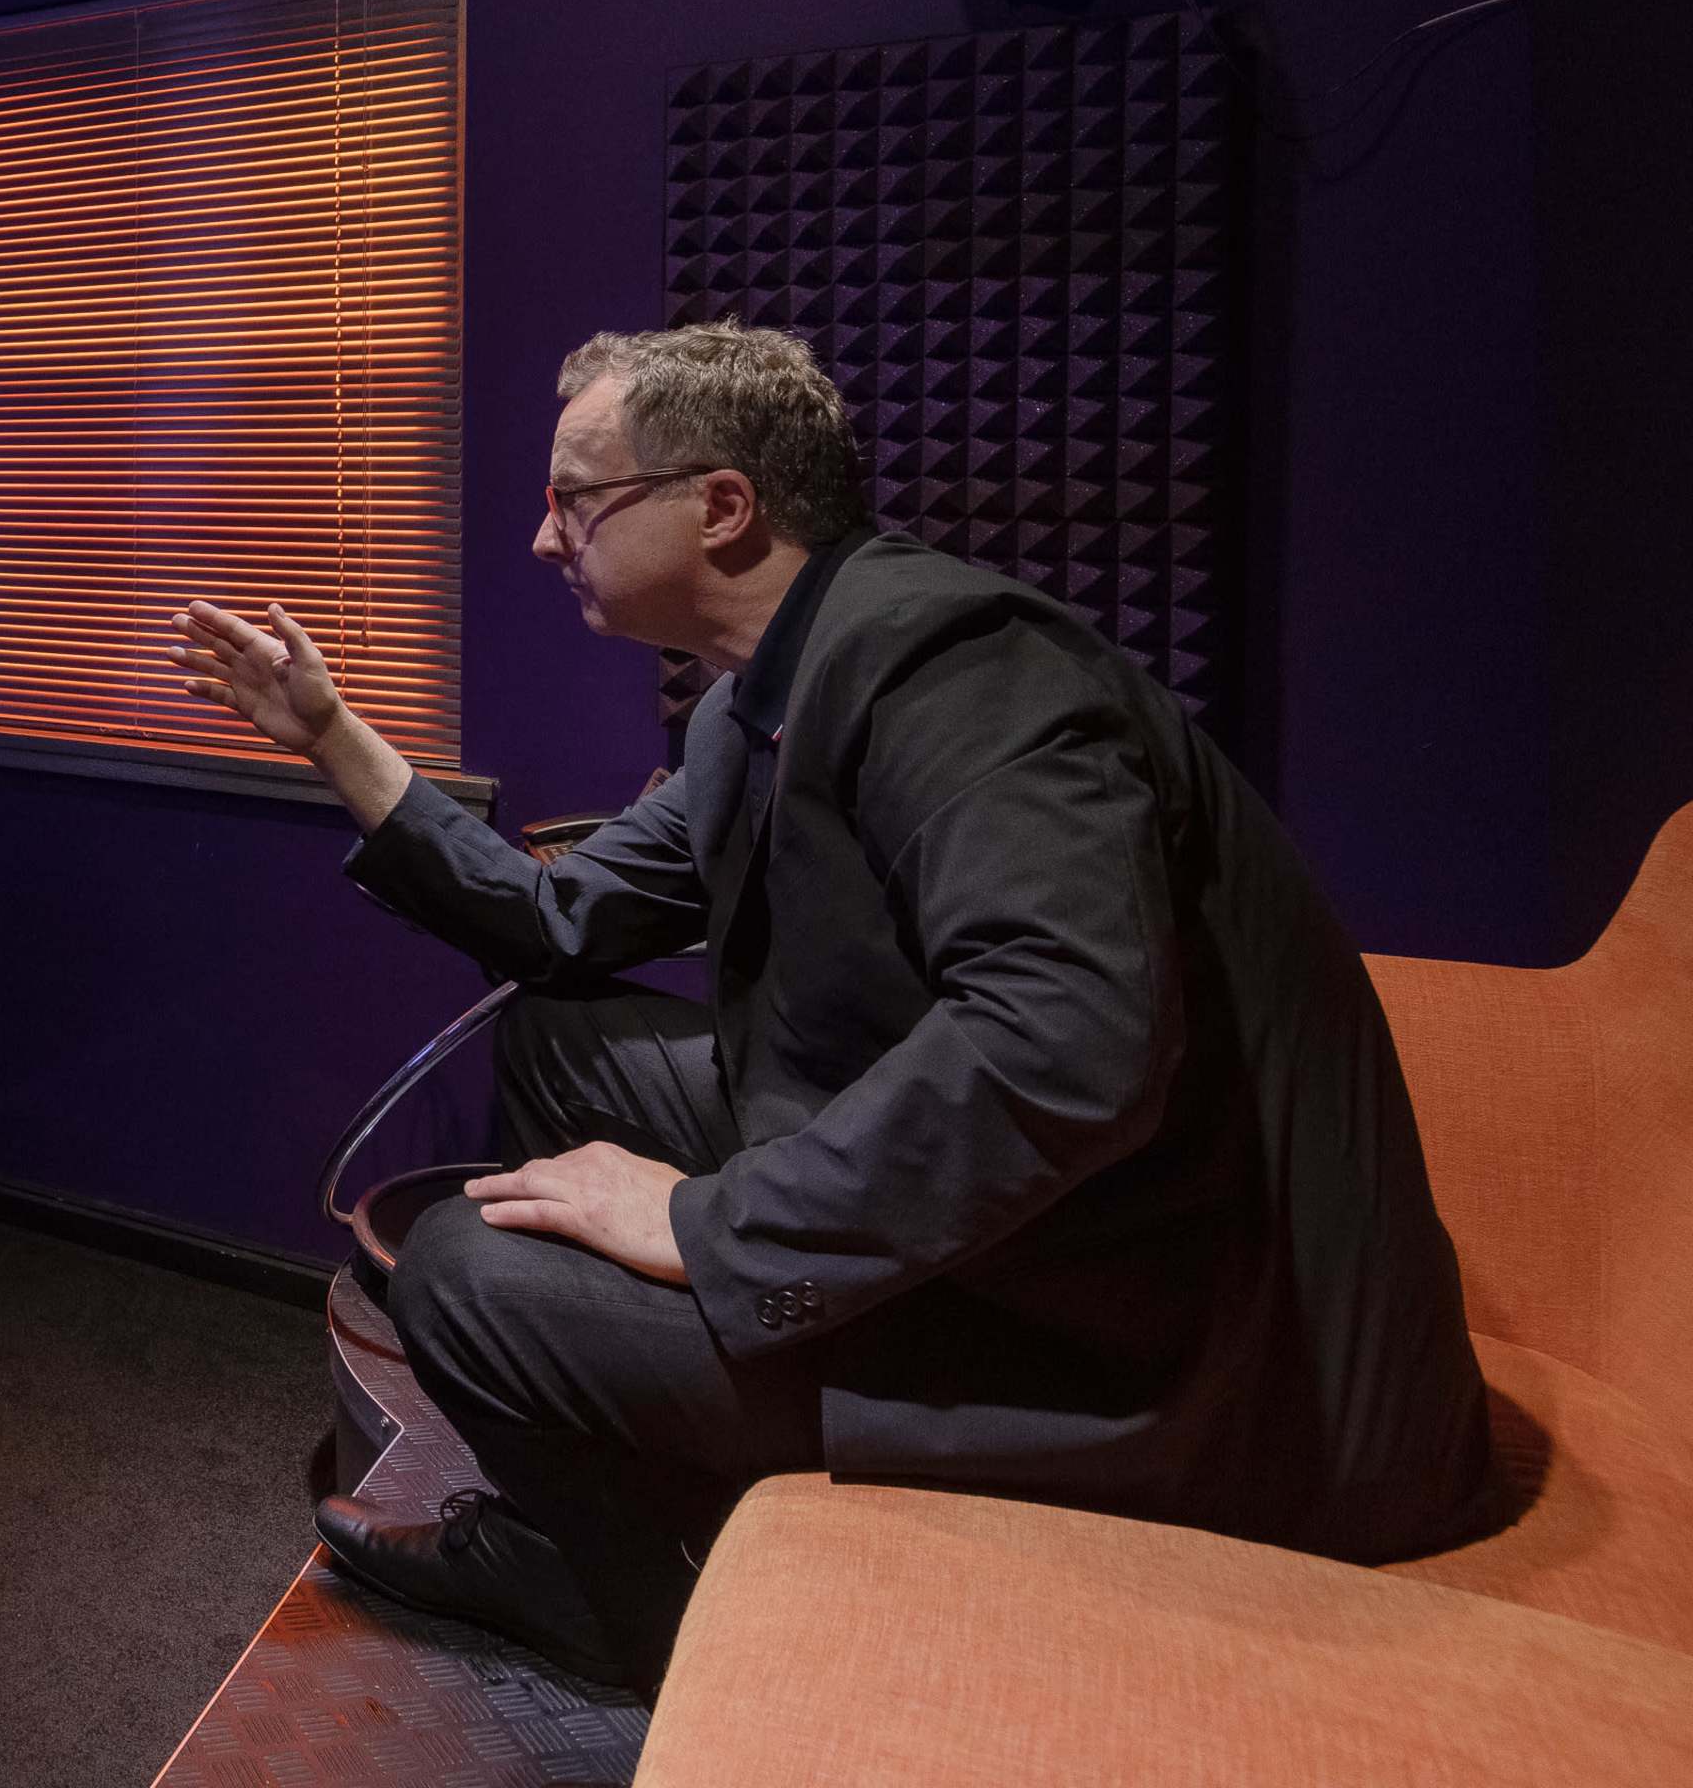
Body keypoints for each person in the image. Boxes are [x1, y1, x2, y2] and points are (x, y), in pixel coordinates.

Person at [171, 322, 1495, 1689]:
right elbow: (556, 924)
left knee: (457, 1268)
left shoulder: (959, 670)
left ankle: (615, 1601)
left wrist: (703, 1222)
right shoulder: (758, 703)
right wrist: (334, 734)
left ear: (722, 505)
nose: (541, 537)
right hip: (1045, 1236)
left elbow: (1069, 1040)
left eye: (574, 497)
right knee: (565, 1041)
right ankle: (641, 1479)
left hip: (1169, 1346)